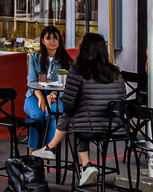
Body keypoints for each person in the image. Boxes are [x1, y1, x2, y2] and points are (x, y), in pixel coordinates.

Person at [40, 33, 120, 187]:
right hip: (115, 126)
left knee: (74, 121)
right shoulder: (116, 72)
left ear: (83, 49)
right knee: (78, 120)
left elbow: (69, 106)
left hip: (89, 126)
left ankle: (78, 161)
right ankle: (81, 165)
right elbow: (122, 99)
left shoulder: (77, 72)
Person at [24, 25, 68, 150]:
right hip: (34, 94)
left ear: (60, 40)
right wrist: (40, 97)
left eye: (55, 38)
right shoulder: (34, 57)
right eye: (48, 38)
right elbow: (32, 81)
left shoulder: (66, 61)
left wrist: (52, 95)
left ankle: (48, 150)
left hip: (57, 96)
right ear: (43, 41)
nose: (52, 41)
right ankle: (31, 153)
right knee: (37, 116)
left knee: (53, 113)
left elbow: (67, 85)